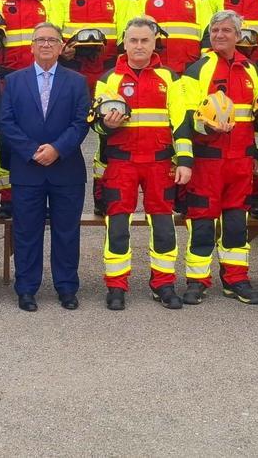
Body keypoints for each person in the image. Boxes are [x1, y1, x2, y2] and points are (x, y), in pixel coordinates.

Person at [178, 10, 258, 305]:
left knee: (237, 223)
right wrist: (206, 126)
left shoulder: (251, 70)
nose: (219, 35)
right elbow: (185, 117)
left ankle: (236, 279)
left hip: (240, 161)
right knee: (202, 223)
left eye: (226, 30)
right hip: (207, 160)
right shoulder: (198, 69)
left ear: (238, 35)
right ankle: (197, 281)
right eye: (215, 31)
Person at [93, 16, 193, 310]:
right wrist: (107, 125)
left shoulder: (170, 78)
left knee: (163, 226)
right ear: (124, 42)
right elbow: (96, 126)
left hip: (160, 164)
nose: (138, 46)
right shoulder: (108, 79)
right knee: (118, 227)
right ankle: (116, 286)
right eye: (133, 40)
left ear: (154, 43)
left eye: (144, 40)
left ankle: (163, 284)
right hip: (121, 164)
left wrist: (184, 161)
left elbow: (181, 123)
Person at [0, 22, 90, 311]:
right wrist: (31, 151)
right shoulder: (14, 81)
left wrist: (57, 149)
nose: (47, 45)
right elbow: (6, 122)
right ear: (31, 47)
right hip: (28, 169)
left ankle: (66, 287)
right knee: (27, 231)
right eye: (41, 40)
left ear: (62, 47)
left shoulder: (77, 81)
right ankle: (26, 289)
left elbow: (80, 123)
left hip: (66, 169)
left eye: (52, 40)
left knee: (66, 232)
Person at [51, 0, 125, 217]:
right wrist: (63, 52)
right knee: (65, 134)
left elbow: (124, 38)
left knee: (108, 140)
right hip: (72, 74)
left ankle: (102, 196)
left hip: (107, 76)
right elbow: (53, 32)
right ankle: (60, 196)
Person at [0, 0, 59, 219]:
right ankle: (8, 200)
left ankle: (44, 197)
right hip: (9, 78)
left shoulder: (48, 0)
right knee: (8, 140)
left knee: (44, 135)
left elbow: (57, 36)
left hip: (42, 76)